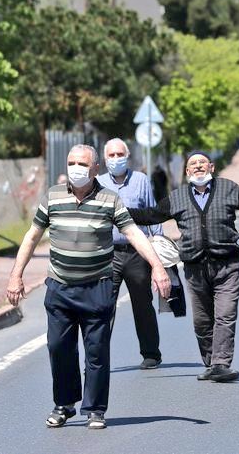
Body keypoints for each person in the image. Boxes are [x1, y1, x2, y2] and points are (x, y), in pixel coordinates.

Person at [6, 144, 170, 429]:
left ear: (96, 168)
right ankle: (64, 404)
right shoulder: (53, 196)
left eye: (82, 164)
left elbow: (133, 234)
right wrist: (15, 275)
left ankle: (95, 408)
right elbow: (32, 236)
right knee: (58, 347)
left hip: (97, 287)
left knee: (96, 350)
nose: (76, 168)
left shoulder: (110, 199)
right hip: (60, 287)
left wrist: (157, 266)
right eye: (71, 162)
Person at [128, 150, 239, 382]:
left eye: (202, 163)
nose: (197, 166)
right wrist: (116, 211)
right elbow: (150, 215)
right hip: (195, 269)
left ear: (212, 167)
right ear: (186, 172)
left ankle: (221, 363)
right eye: (192, 164)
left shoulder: (228, 188)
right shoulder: (177, 197)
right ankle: (210, 363)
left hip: (227, 265)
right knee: (202, 321)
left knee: (225, 316)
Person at [96, 138, 164, 369]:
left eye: (119, 154)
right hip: (108, 254)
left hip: (137, 253)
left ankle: (151, 353)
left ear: (128, 156)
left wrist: (159, 251)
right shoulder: (97, 182)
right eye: (111, 155)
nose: (116, 159)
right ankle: (97, 357)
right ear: (105, 160)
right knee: (103, 306)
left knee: (143, 304)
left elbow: (152, 213)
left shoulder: (141, 180)